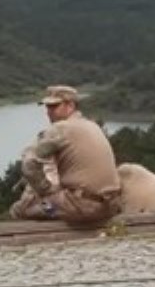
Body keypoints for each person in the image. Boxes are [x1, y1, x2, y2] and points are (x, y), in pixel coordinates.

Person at [16, 85, 121, 226]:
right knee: (54, 202)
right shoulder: (93, 126)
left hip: (80, 207)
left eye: (54, 107)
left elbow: (29, 164)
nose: (48, 112)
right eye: (47, 107)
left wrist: (45, 190)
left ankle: (53, 218)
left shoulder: (61, 129)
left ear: (70, 105)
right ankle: (56, 213)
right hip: (111, 205)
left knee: (22, 208)